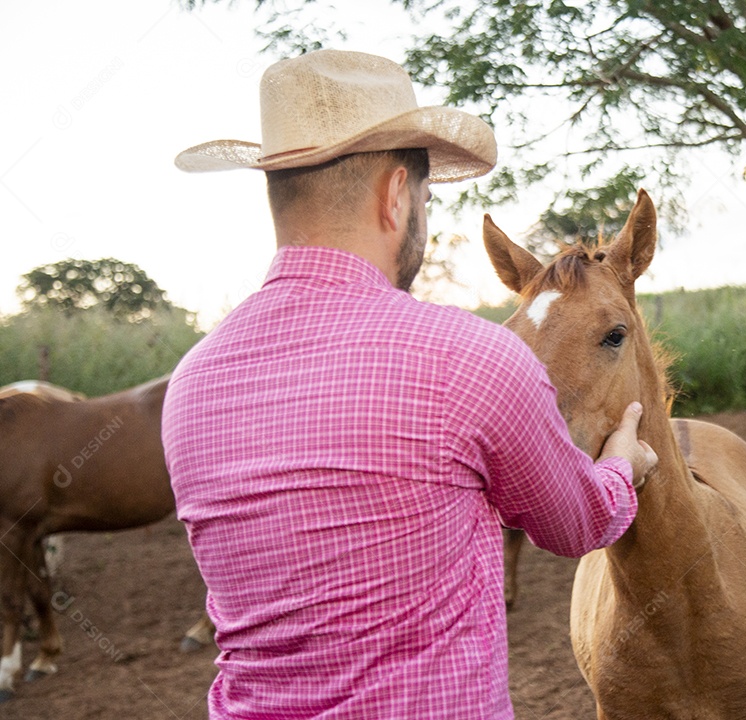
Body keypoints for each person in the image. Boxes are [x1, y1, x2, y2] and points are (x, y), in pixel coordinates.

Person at [161, 49, 657, 719]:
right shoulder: (471, 356)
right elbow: (574, 525)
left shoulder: (191, 383)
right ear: (396, 196)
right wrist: (621, 467)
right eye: (426, 195)